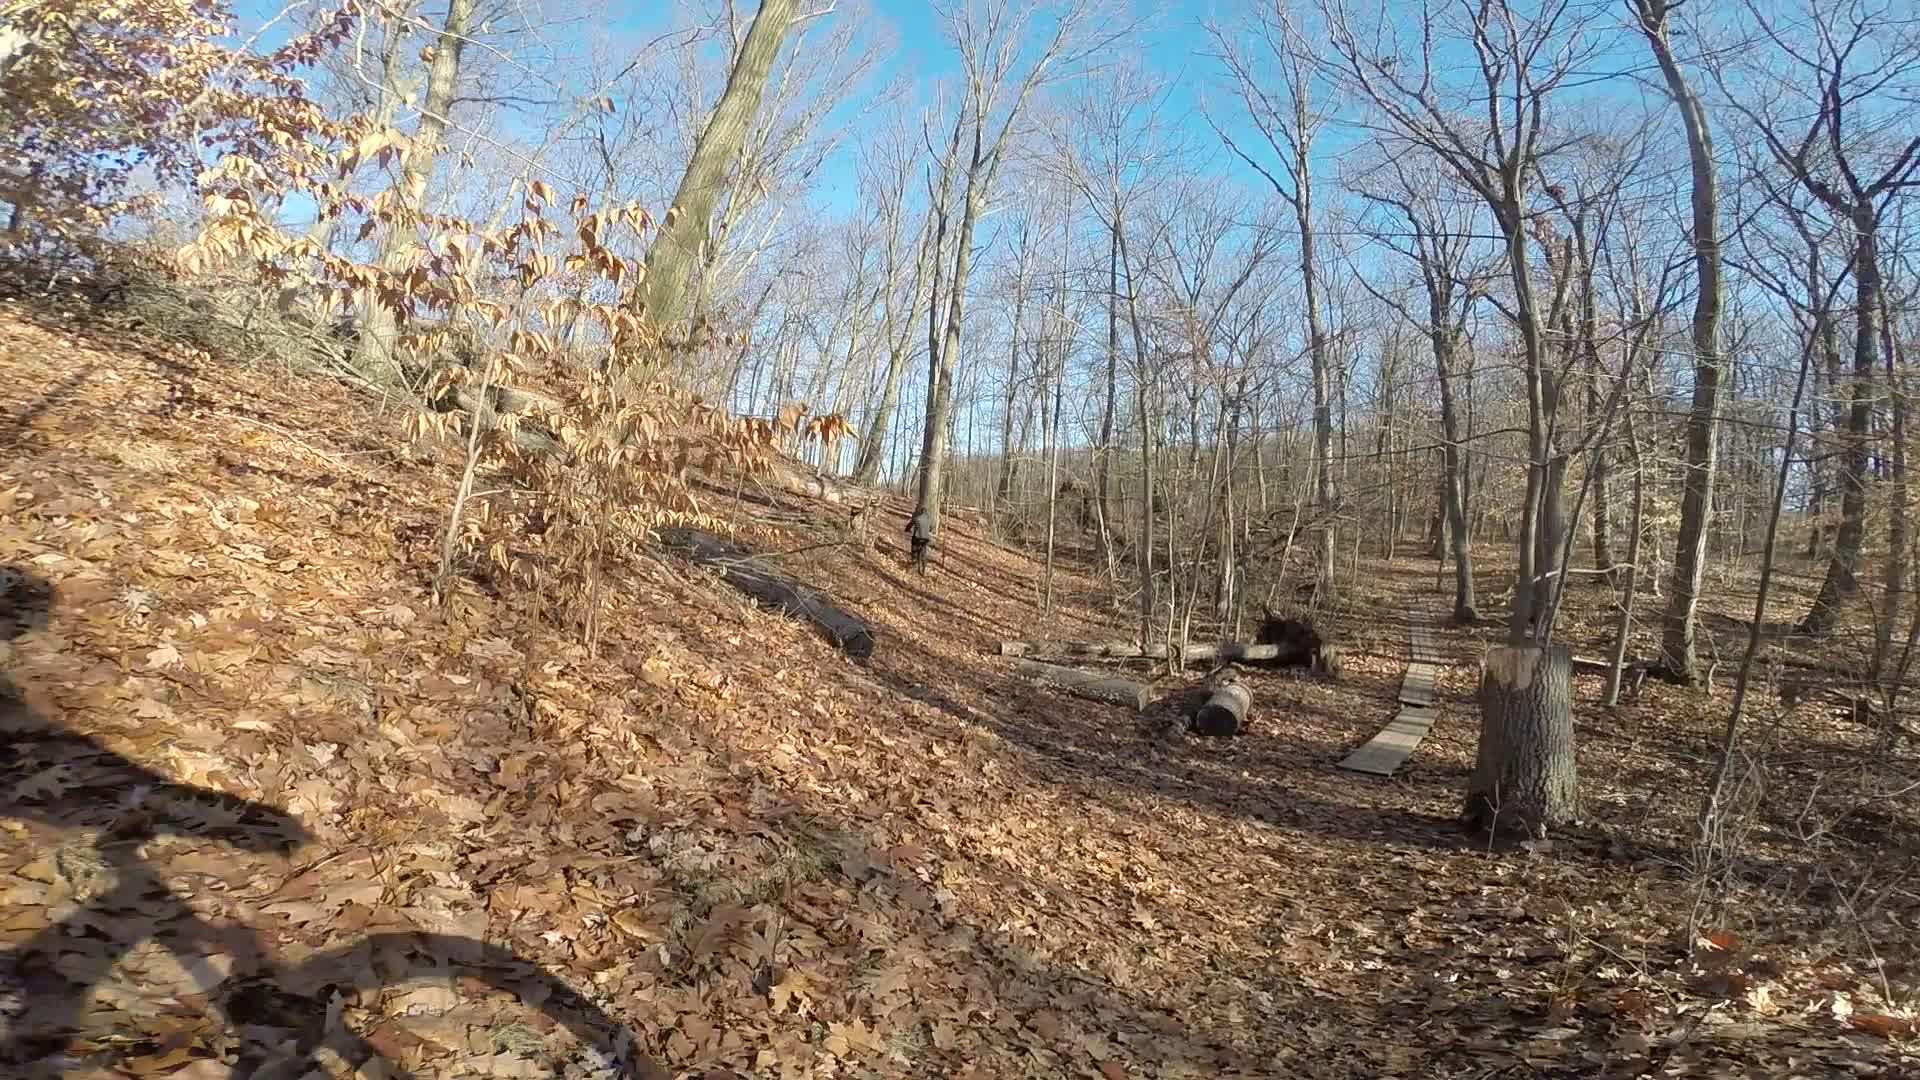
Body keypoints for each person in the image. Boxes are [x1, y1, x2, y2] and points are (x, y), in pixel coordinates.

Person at [905, 508, 932, 574]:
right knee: (924, 553)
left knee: (914, 550)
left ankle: (914, 562)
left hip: (917, 538)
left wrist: (907, 529)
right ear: (926, 513)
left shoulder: (916, 518)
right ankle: (923, 569)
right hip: (925, 539)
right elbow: (931, 528)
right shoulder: (929, 519)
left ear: (920, 512)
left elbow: (909, 525)